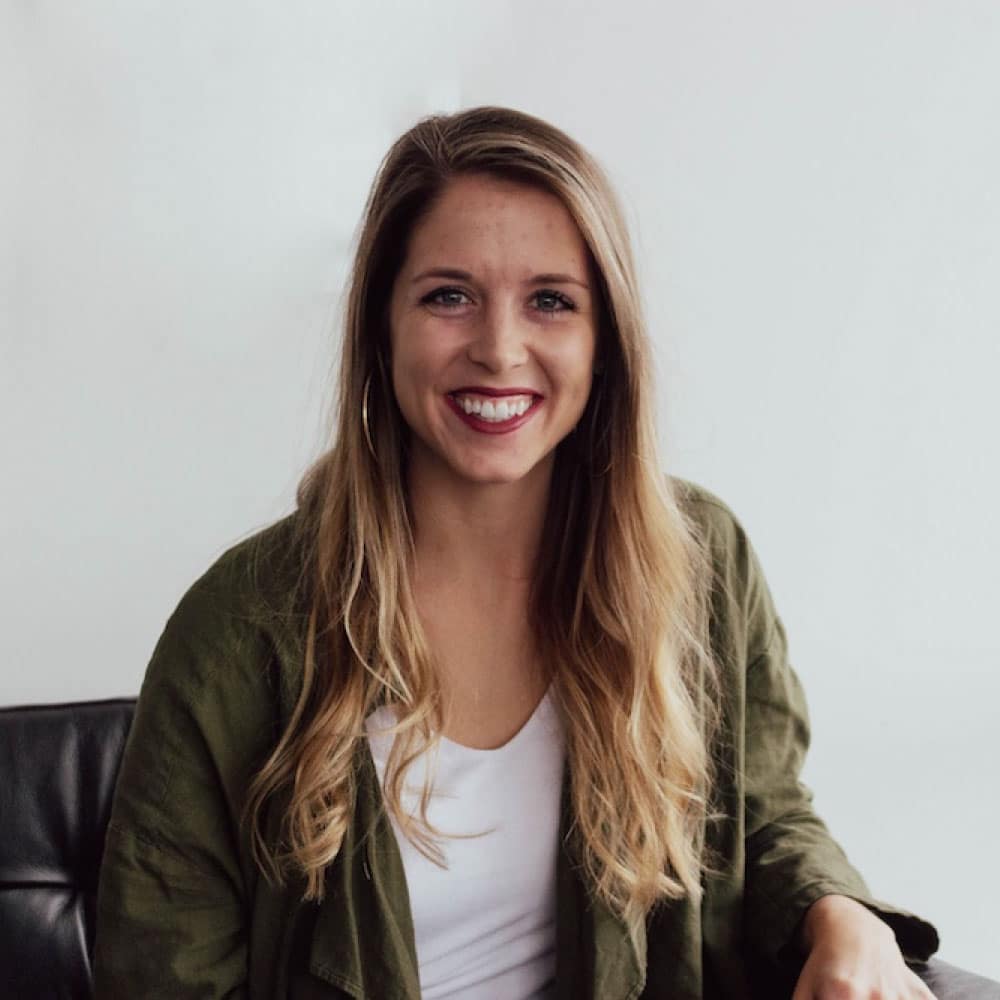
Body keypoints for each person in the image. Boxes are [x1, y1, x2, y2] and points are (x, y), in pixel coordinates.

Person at [93, 106, 939, 999]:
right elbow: (162, 972)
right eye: (448, 295)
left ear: (604, 340)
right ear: (381, 331)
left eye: (551, 301)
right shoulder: (239, 627)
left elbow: (763, 815)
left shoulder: (700, 565)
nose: (499, 350)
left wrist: (839, 912)